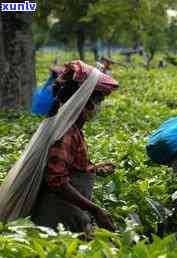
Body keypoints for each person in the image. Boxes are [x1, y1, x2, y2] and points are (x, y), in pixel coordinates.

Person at [31, 61, 118, 235]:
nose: (99, 107)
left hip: (67, 212)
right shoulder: (66, 133)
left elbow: (67, 167)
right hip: (57, 216)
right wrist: (96, 210)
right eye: (98, 100)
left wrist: (92, 168)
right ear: (85, 102)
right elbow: (56, 180)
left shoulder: (72, 129)